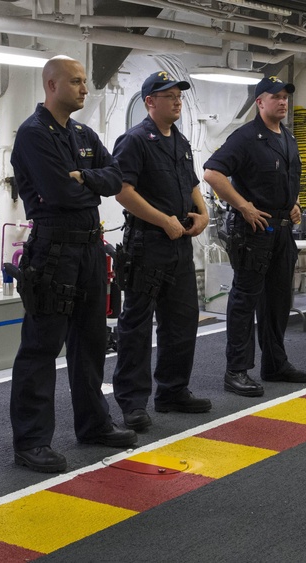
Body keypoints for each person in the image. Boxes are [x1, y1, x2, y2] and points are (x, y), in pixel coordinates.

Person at [9, 56, 136, 473]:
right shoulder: (32, 135)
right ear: (51, 85)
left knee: (91, 342)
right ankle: (31, 442)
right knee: (42, 348)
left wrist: (87, 179)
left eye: (85, 81)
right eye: (76, 82)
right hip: (53, 252)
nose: (84, 89)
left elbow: (116, 178)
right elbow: (62, 194)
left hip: (89, 250)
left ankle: (93, 423)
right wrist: (84, 182)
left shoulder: (82, 133)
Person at [111, 71, 212, 431]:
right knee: (137, 327)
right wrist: (162, 220)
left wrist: (203, 213)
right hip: (148, 246)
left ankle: (172, 390)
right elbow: (122, 190)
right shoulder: (135, 140)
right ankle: (132, 402)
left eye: (179, 96)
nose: (177, 101)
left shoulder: (180, 142)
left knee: (182, 322)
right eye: (168, 96)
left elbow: (192, 184)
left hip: (179, 246)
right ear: (149, 102)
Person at [202, 76, 306, 397]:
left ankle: (275, 363)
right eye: (274, 97)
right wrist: (243, 206)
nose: (282, 102)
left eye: (285, 97)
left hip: (282, 231)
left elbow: (285, 182)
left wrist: (293, 205)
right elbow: (212, 172)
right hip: (253, 231)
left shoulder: (288, 138)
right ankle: (236, 370)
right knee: (245, 299)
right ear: (259, 102)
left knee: (278, 300)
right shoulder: (246, 137)